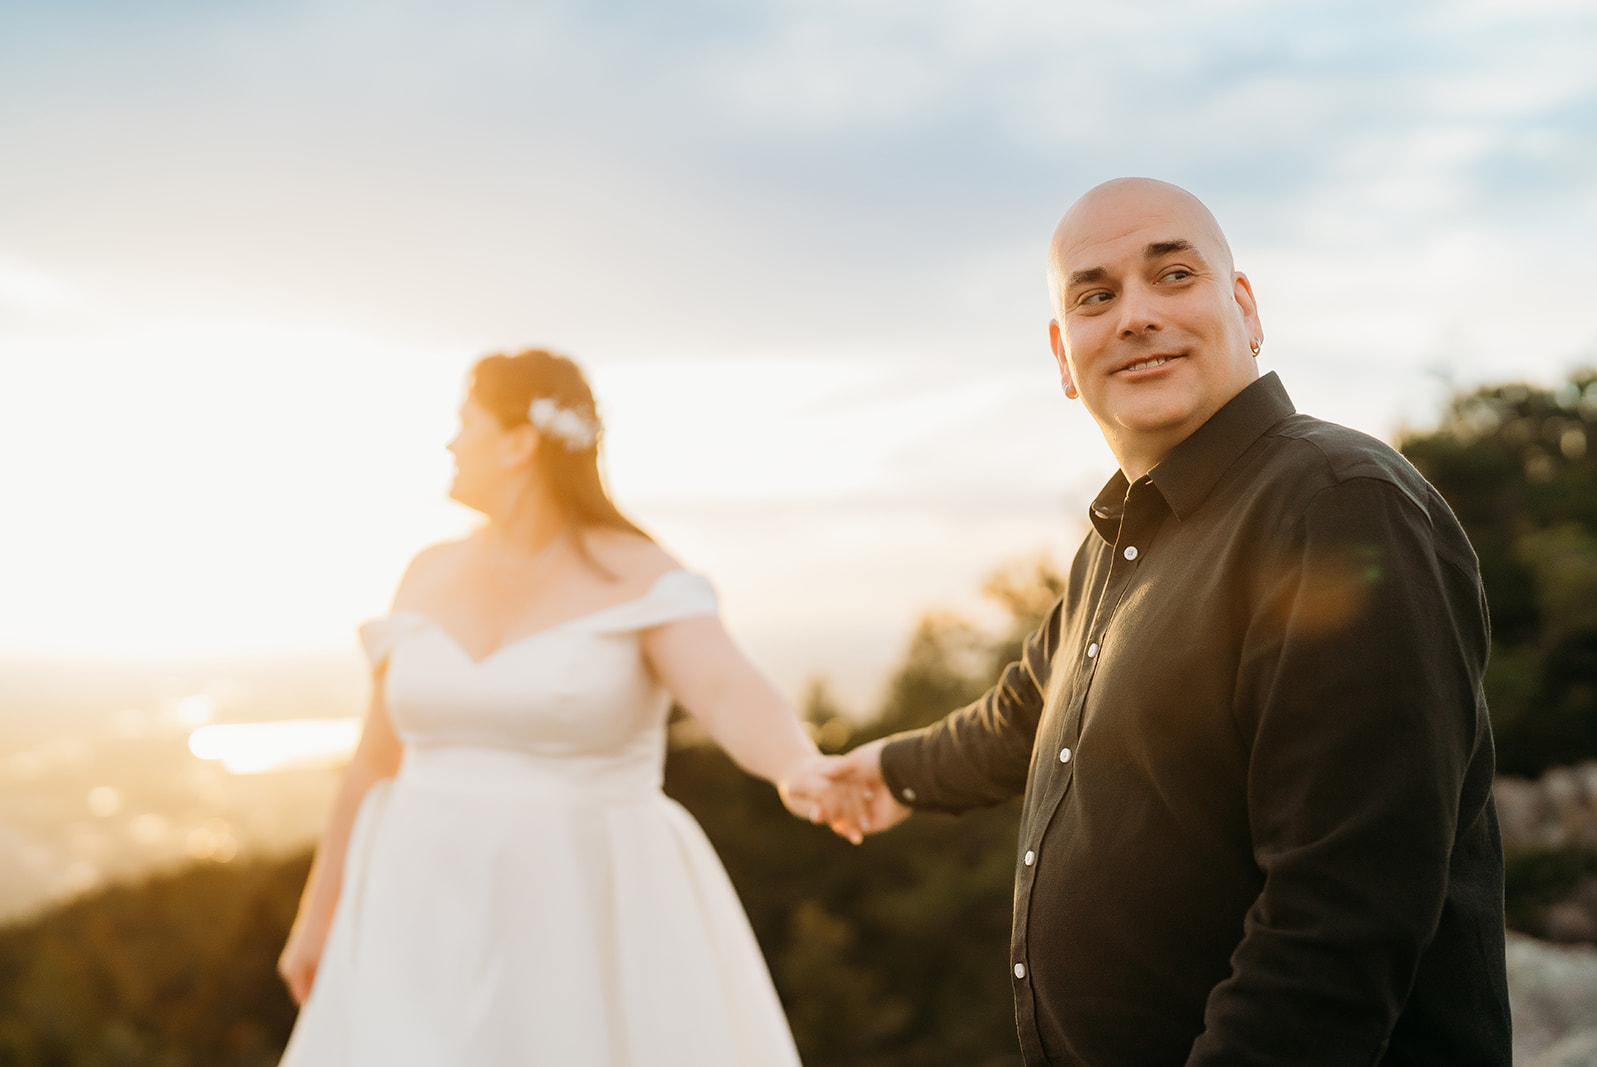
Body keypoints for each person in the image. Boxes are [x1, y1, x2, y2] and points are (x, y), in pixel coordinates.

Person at [820, 178, 1512, 1065]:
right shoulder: (1123, 538)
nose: (1136, 316)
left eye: (1174, 275)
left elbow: (1336, 920)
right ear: (1063, 355)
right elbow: (1028, 713)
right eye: (1094, 296)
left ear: (1245, 309)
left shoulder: (1338, 506)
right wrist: (889, 773)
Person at [276, 349, 850, 1065]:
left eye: (465, 422)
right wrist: (318, 915)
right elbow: (371, 763)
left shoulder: (639, 573)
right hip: (414, 910)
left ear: (519, 442)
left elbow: (726, 687)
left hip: (581, 910)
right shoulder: (424, 572)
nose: (450, 443)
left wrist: (796, 764)